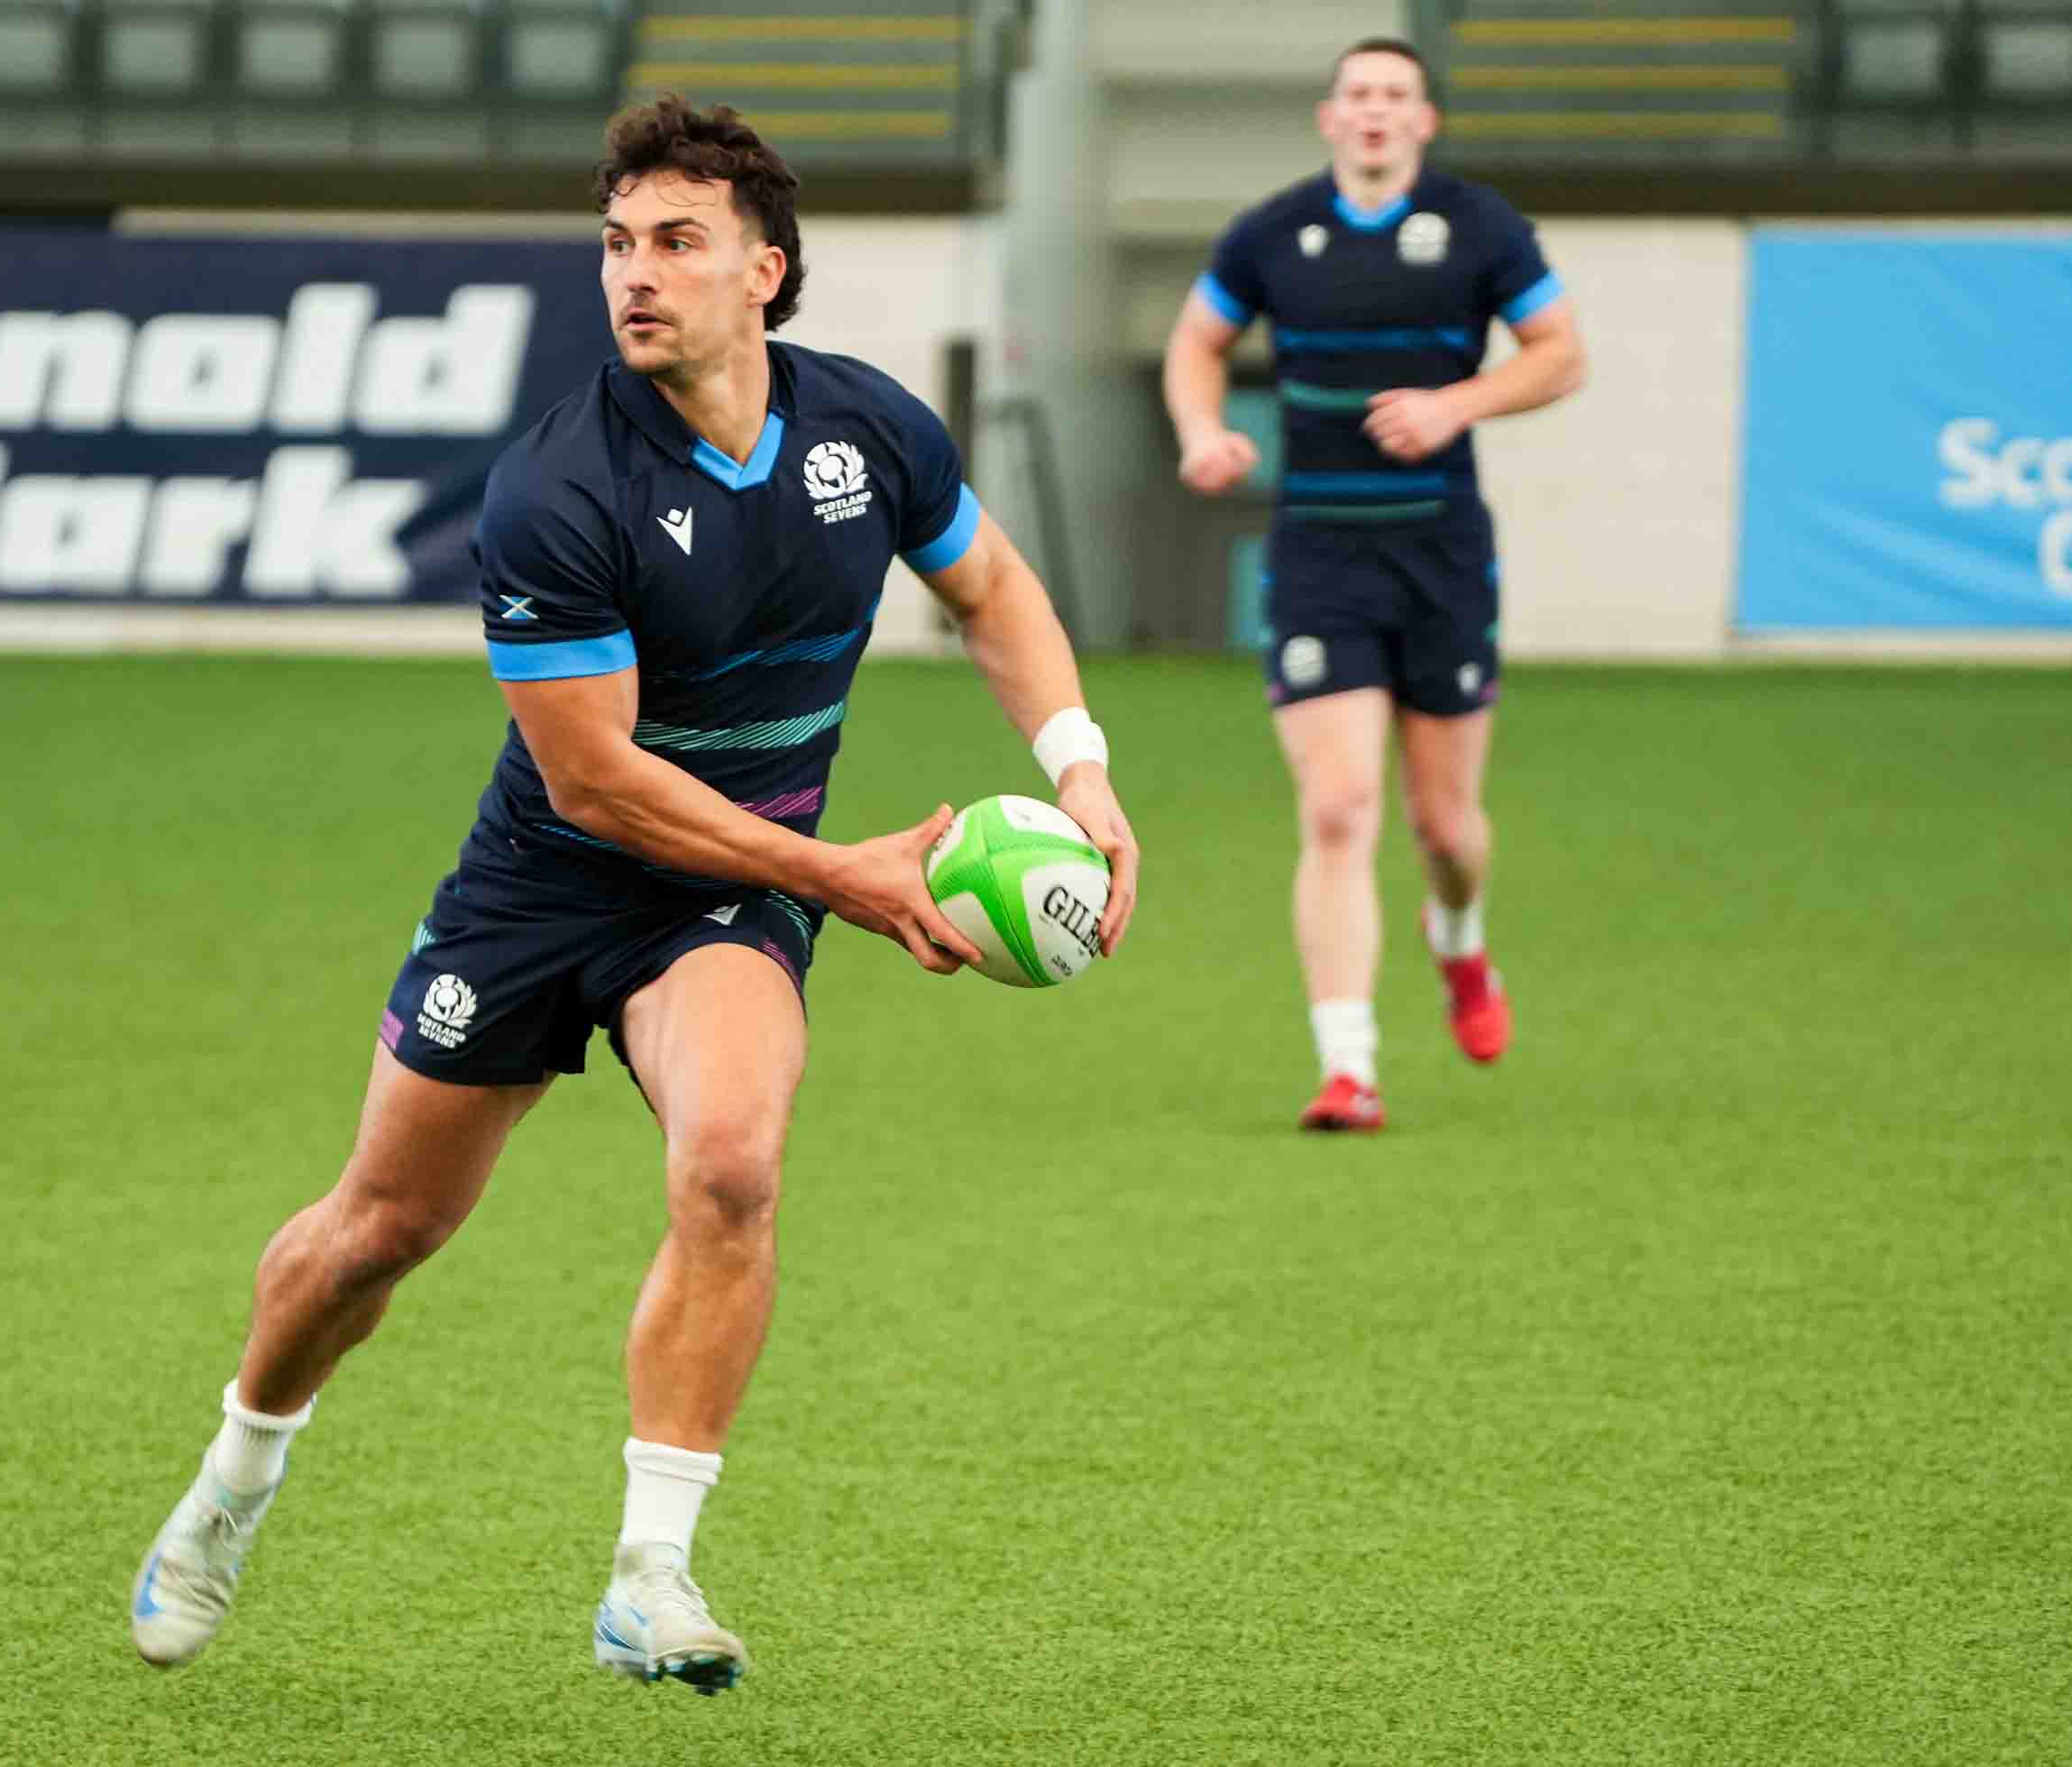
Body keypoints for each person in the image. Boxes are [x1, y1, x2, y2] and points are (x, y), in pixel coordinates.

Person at [124, 96, 1141, 1694]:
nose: (633, 275)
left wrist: (1077, 766)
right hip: (544, 889)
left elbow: (991, 586)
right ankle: (233, 1479)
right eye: (615, 245)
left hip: (720, 903)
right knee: (377, 1233)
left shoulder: (865, 433)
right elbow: (595, 781)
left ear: (766, 271)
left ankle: (648, 1575)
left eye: (675, 241)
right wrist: (843, 877)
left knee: (732, 1164)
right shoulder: (556, 492)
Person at [1159, 36, 1584, 1132]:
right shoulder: (1272, 233)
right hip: (1317, 559)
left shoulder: (1482, 227)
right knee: (1340, 808)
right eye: (1359, 95)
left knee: (1444, 829)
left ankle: (1460, 941)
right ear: (1329, 118)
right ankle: (1348, 1067)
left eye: (1397, 95)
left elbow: (1558, 353)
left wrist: (1457, 404)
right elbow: (1196, 342)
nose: (1377, 112)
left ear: (1425, 120)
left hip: (1440, 557)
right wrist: (1202, 430)